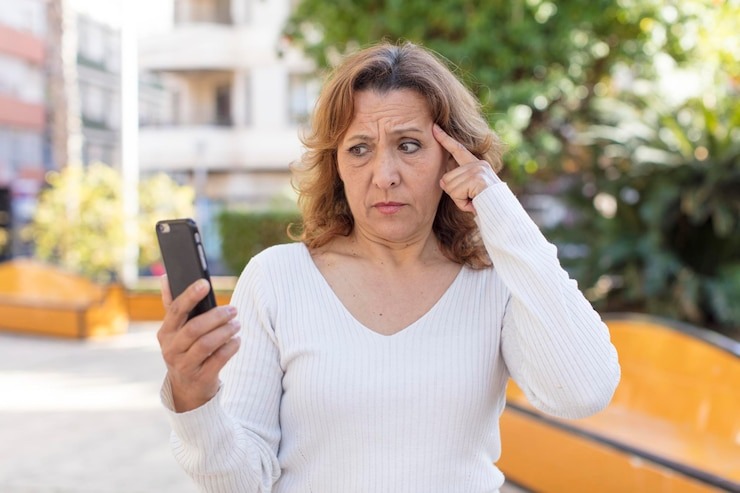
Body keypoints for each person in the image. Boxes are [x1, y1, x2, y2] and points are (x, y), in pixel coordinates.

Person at [157, 41, 620, 492]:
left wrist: (501, 212)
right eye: (359, 148)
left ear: (453, 154)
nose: (385, 175)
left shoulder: (494, 281)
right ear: (335, 165)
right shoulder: (278, 279)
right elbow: (243, 484)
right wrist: (194, 399)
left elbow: (582, 391)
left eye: (410, 144)